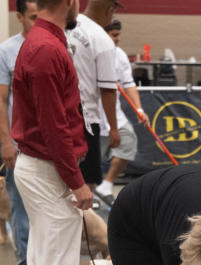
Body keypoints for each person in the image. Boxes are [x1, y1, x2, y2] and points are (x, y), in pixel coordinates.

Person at [12, 0, 124, 265]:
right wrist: (76, 181)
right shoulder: (46, 49)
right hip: (48, 169)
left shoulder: (43, 41)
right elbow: (54, 125)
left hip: (41, 167)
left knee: (44, 264)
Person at [0, 0, 39, 265]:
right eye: (33, 17)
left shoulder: (59, 46)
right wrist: (6, 142)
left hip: (51, 146)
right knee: (19, 205)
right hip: (19, 147)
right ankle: (25, 263)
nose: (38, 22)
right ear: (19, 17)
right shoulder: (5, 52)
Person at [66, 0, 121, 195]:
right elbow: (107, 89)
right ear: (109, 10)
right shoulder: (102, 39)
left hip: (61, 114)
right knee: (85, 185)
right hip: (85, 120)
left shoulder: (67, 25)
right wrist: (114, 128)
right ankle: (82, 222)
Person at [96, 20, 150, 203]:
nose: (117, 39)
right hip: (91, 116)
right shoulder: (90, 52)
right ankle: (90, 192)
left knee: (128, 141)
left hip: (115, 116)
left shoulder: (119, 55)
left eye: (118, 35)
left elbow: (129, 84)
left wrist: (139, 110)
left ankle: (106, 186)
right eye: (114, 35)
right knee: (90, 159)